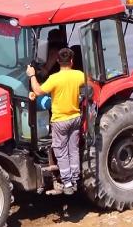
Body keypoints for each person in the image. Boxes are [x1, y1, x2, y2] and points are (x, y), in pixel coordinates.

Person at [27, 48, 85, 195]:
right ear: (72, 61)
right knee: (73, 149)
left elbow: (38, 91)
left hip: (60, 121)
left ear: (58, 61)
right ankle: (75, 179)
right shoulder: (79, 75)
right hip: (75, 118)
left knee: (61, 151)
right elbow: (88, 85)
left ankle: (67, 183)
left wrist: (32, 75)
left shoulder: (54, 79)